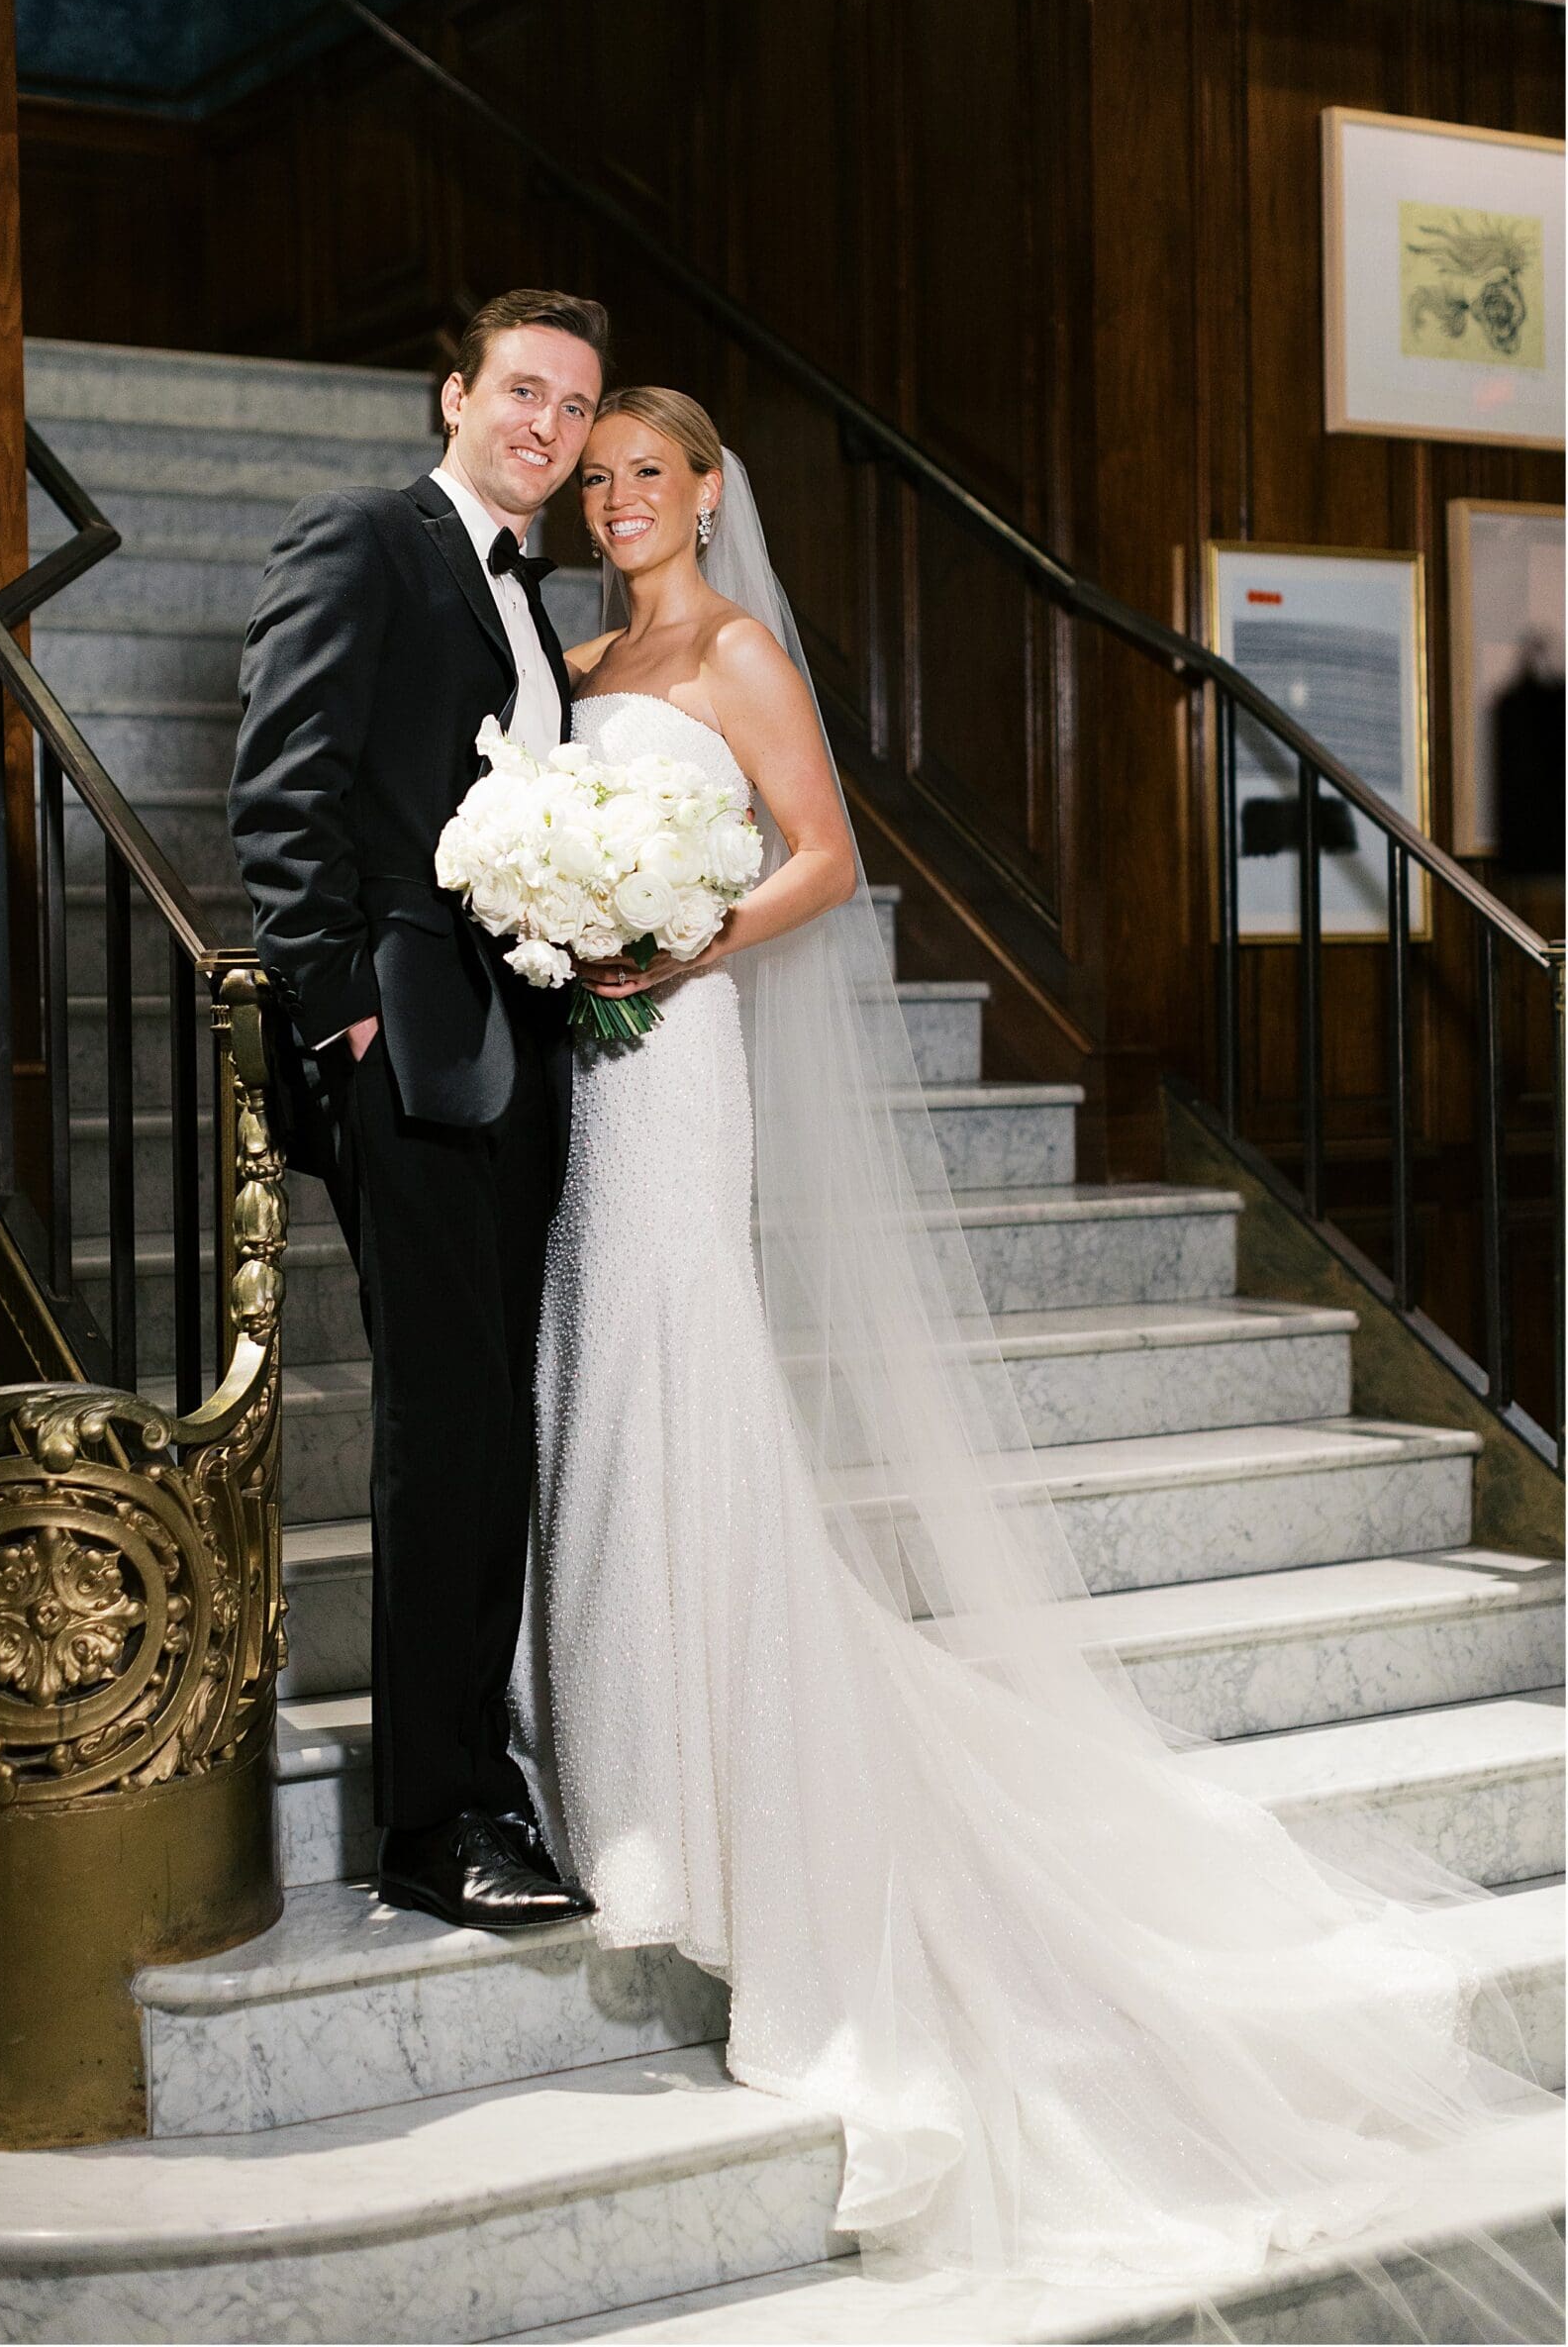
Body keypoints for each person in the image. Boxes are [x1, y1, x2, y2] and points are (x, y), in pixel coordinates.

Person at [513, 386, 1562, 2331]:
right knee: (587, 1359)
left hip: (676, 1051)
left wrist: (668, 942)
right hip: (571, 1065)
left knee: (674, 1346)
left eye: (647, 472)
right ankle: (620, 1766)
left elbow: (818, 859)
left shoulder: (736, 648)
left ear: (708, 491)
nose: (619, 500)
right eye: (594, 480)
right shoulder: (573, 651)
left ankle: (717, 1805)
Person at [229, 290, 606, 1937]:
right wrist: (343, 1013)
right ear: (455, 396)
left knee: (492, 1423)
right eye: (521, 388)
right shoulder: (366, 541)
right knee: (443, 1431)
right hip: (413, 1052)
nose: (547, 422)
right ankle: (432, 1827)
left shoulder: (537, 597)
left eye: (577, 405)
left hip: (522, 1053)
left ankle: (480, 1778)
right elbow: (283, 783)